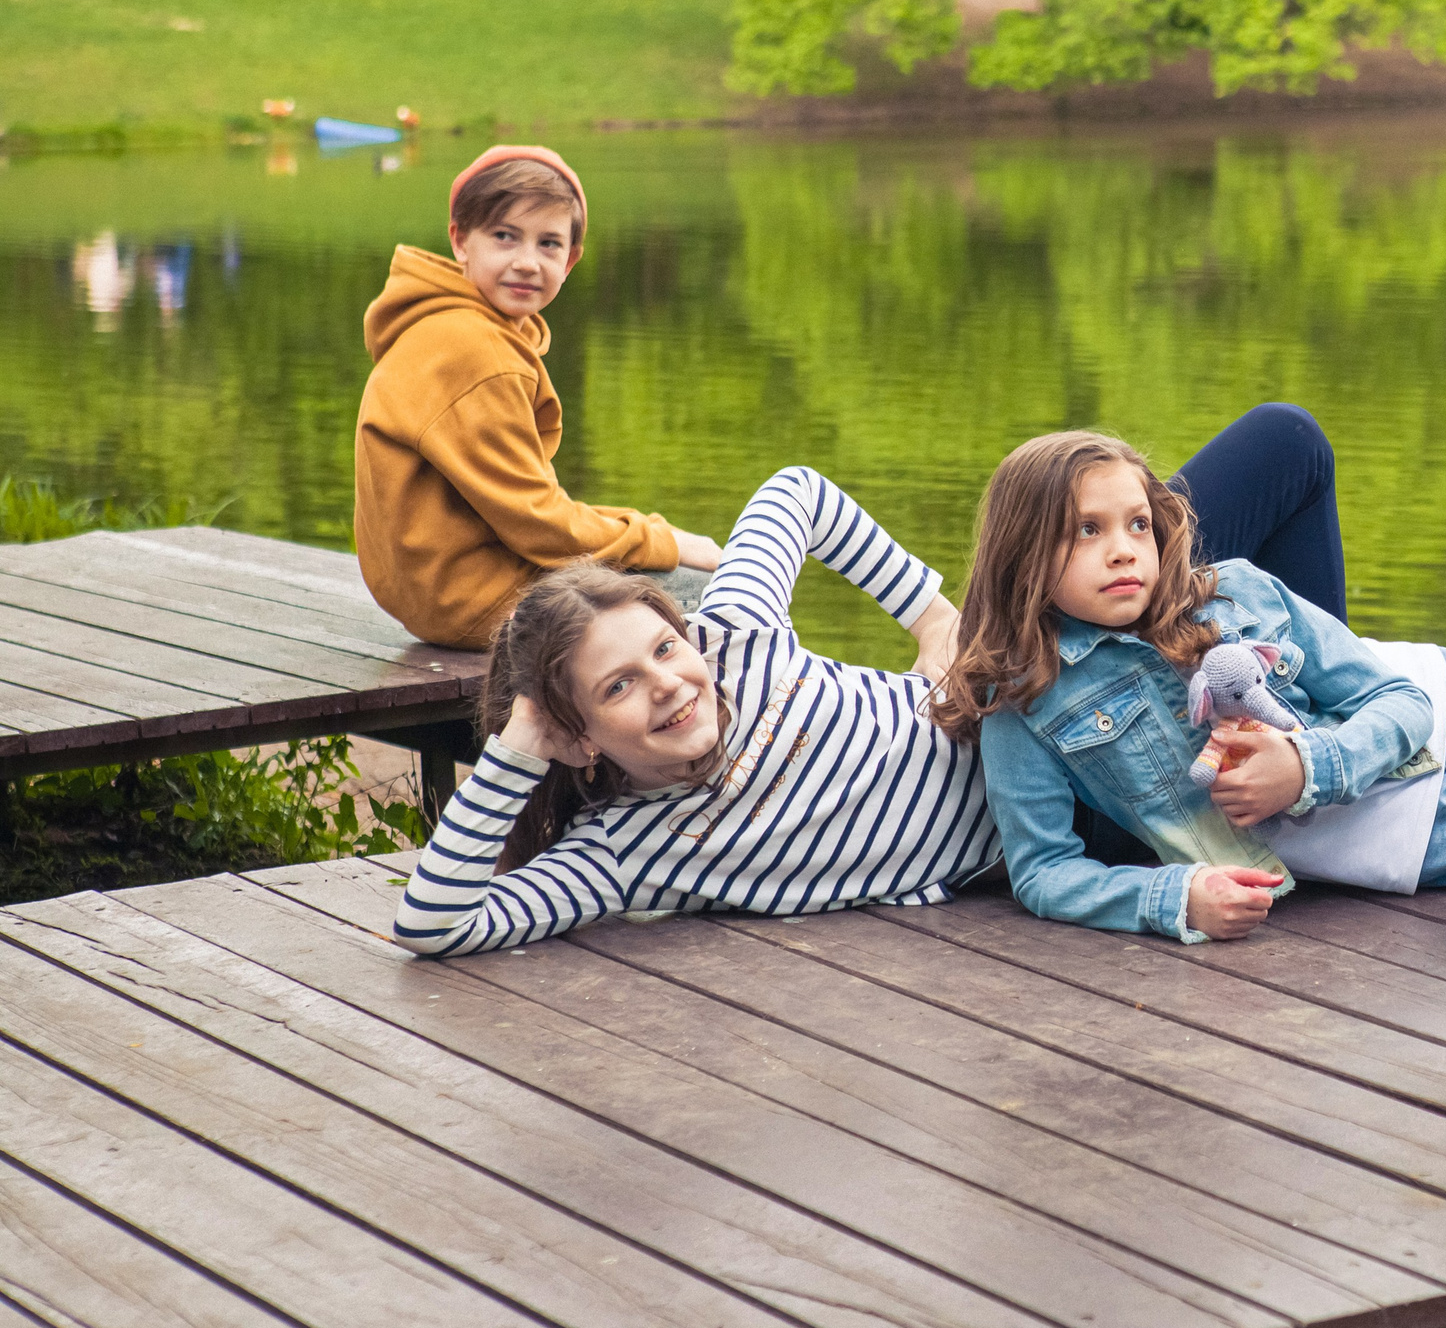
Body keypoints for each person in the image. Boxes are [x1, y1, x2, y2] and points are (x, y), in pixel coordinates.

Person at [391, 406, 1352, 956]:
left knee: (1285, 443)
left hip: (1039, 676)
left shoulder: (736, 639)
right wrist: (520, 745)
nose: (671, 687)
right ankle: (1319, 764)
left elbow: (796, 490)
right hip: (1077, 817)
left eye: (664, 651)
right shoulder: (627, 855)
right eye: (617, 690)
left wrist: (934, 616)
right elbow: (433, 923)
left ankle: (1312, 709)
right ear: (581, 738)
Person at [933, 431, 1446, 944]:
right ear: (1022, 554)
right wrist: (1176, 897)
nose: (1124, 549)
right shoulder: (1025, 701)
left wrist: (1306, 769)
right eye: (1087, 530)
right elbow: (1043, 871)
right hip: (1423, 832)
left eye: (1138, 524)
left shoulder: (1238, 592)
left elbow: (1404, 702)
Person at [354, 146, 731, 648]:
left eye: (548, 243)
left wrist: (646, 531)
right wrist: (665, 541)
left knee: (674, 581)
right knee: (713, 596)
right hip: (476, 599)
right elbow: (541, 524)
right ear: (461, 241)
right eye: (505, 236)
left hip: (441, 591)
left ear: (571, 259)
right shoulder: (475, 349)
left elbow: (525, 506)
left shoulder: (452, 326)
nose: (527, 263)